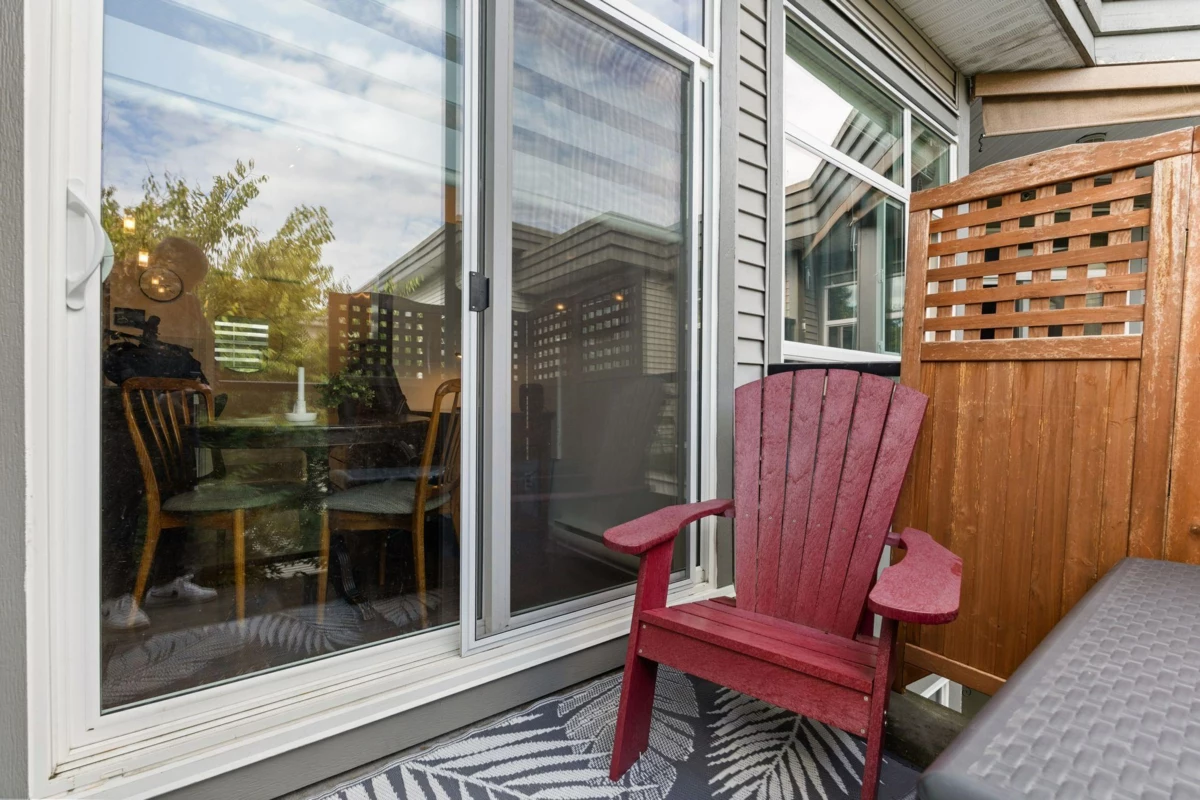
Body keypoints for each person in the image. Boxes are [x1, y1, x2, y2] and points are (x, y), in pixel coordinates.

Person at [101, 237, 220, 630]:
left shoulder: (190, 306)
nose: (188, 285)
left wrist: (206, 395)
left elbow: (205, 350)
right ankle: (113, 596)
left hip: (178, 414)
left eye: (193, 280)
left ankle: (169, 580)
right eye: (187, 275)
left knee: (180, 494)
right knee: (126, 500)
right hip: (127, 411)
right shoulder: (124, 284)